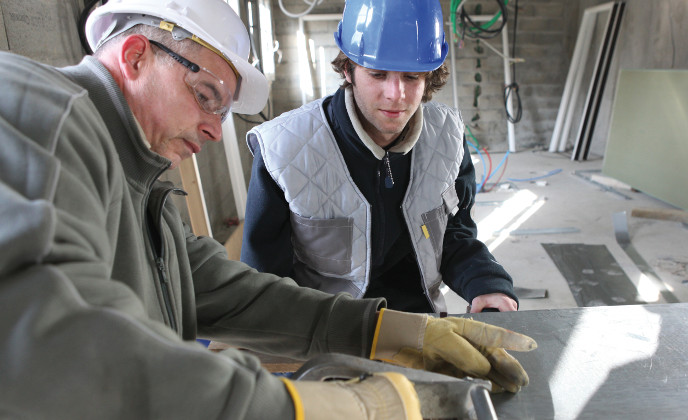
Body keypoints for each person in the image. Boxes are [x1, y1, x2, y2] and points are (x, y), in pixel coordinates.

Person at [0, 0, 536, 418]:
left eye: (413, 78)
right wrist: (304, 407)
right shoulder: (35, 111)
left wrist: (382, 330)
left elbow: (229, 293)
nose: (215, 129)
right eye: (206, 94)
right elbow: (51, 340)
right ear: (136, 55)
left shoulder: (146, 192)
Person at [241, 0, 519, 314]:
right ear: (348, 69)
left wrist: (487, 284)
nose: (395, 94)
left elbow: (454, 234)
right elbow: (265, 281)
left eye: (412, 77)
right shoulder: (283, 149)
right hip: (325, 325)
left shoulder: (448, 138)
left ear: (429, 76)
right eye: (377, 74)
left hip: (418, 318)